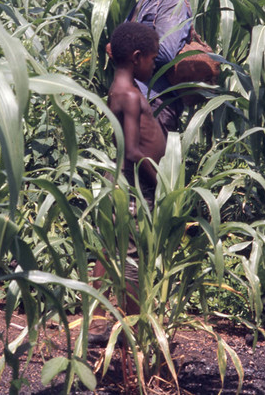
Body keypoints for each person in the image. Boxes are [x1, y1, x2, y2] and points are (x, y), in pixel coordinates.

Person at [89, 22, 167, 345]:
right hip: (135, 184)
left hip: (118, 182)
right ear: (137, 58)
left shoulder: (117, 88)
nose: (153, 65)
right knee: (132, 256)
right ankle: (132, 328)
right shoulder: (132, 96)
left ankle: (98, 323)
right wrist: (161, 182)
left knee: (109, 251)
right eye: (151, 59)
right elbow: (134, 151)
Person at [114, 0, 193, 135]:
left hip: (156, 104)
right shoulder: (143, 1)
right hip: (136, 103)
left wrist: (122, 50)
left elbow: (165, 51)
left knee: (146, 166)